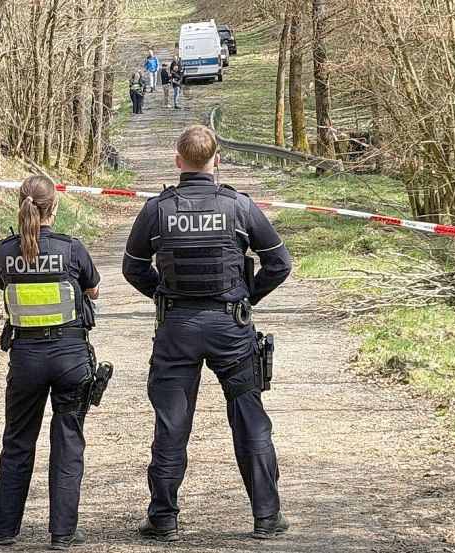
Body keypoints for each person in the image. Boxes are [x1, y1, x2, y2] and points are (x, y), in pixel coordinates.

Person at [122, 125, 293, 541]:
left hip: (177, 328)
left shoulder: (156, 209)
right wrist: (244, 297)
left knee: (171, 424)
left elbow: (132, 267)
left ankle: (163, 519)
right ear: (216, 160)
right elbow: (280, 264)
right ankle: (266, 517)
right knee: (250, 419)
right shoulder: (240, 207)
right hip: (230, 329)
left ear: (178, 161)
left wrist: (165, 294)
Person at [0, 175, 102, 551]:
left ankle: (3, 529)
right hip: (69, 357)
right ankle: (63, 532)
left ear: (21, 204)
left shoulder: (4, 252)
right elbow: (93, 289)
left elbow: (6, 284)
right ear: (56, 207)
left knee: (17, 441)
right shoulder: (72, 248)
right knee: (68, 443)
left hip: (26, 359)